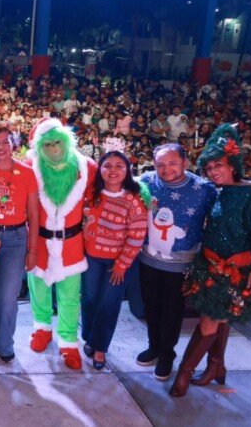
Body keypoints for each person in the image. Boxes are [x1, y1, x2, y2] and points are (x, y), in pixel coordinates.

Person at [170, 125, 251, 397]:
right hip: (209, 264)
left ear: (233, 164)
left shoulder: (250, 191)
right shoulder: (212, 190)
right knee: (222, 318)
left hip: (236, 267)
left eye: (219, 165)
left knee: (210, 320)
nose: (213, 171)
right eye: (209, 167)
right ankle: (217, 366)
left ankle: (184, 373)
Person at [137, 143, 217, 381]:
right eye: (160, 164)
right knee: (151, 306)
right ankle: (154, 346)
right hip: (147, 257)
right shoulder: (146, 181)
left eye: (172, 163)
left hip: (181, 263)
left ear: (185, 162)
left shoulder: (203, 189)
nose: (166, 169)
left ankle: (166, 355)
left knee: (172, 309)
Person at [25, 118, 97, 371]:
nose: (54, 149)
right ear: (39, 147)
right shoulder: (29, 166)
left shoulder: (88, 167)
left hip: (72, 242)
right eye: (48, 145)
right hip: (39, 241)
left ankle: (68, 342)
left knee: (69, 297)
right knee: (39, 290)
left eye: (58, 142)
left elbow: (106, 192)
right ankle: (42, 329)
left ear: (67, 141)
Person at [0, 123, 39, 364]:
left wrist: (32, 250)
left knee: (8, 297)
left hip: (15, 240)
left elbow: (34, 214)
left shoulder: (27, 172)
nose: (1, 147)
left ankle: (6, 345)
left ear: (14, 144)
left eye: (6, 141)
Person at [81, 149, 148, 370]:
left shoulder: (133, 200)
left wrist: (122, 264)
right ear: (99, 169)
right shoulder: (91, 195)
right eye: (107, 165)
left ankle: (100, 348)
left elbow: (137, 235)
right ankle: (91, 337)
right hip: (91, 259)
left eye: (119, 166)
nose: (113, 171)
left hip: (117, 264)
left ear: (128, 170)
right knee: (89, 300)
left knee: (108, 304)